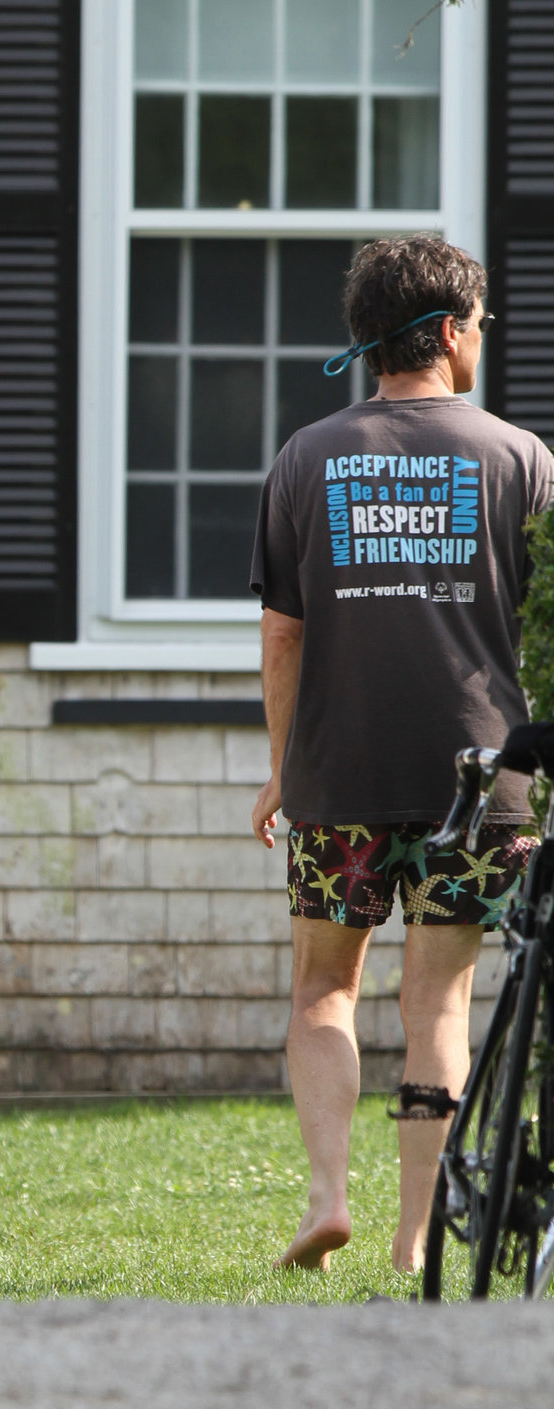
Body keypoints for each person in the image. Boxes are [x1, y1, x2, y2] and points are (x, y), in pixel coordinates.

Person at [250, 235, 550, 1275]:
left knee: (323, 990)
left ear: (366, 341)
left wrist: (284, 768)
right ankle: (418, 1234)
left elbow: (282, 636)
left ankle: (326, 1196)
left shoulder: (305, 457)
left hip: (339, 771)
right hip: (482, 779)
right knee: (439, 1001)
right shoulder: (522, 458)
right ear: (455, 331)